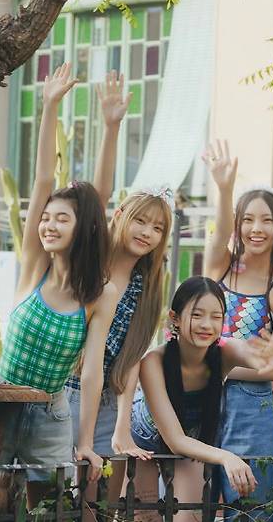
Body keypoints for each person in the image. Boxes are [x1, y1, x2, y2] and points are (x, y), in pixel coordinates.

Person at [0, 62, 117, 508]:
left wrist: (86, 441)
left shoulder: (98, 294)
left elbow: (92, 370)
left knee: (47, 510)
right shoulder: (34, 264)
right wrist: (48, 107)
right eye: (46, 217)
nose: (48, 224)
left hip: (51, 413)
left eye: (61, 219)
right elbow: (43, 180)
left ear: (83, 229)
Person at [63, 71, 174, 516]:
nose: (147, 232)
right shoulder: (94, 261)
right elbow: (99, 192)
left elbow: (130, 361)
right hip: (65, 388)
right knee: (54, 497)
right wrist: (112, 127)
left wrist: (122, 426)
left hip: (107, 398)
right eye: (140, 220)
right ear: (122, 215)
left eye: (158, 228)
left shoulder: (148, 288)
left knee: (99, 504)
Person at [129, 276, 273, 522]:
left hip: (191, 438)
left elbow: (268, 360)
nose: (207, 325)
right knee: (145, 518)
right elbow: (174, 440)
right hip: (145, 440)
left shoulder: (225, 352)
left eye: (216, 317)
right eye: (197, 315)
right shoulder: (154, 362)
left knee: (188, 518)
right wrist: (227, 456)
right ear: (175, 318)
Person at [203, 140, 273, 518]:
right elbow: (218, 236)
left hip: (251, 406)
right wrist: (224, 188)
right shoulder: (221, 267)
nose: (256, 229)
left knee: (250, 507)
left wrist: (219, 367)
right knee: (190, 503)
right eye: (247, 219)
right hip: (200, 397)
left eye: (266, 220)